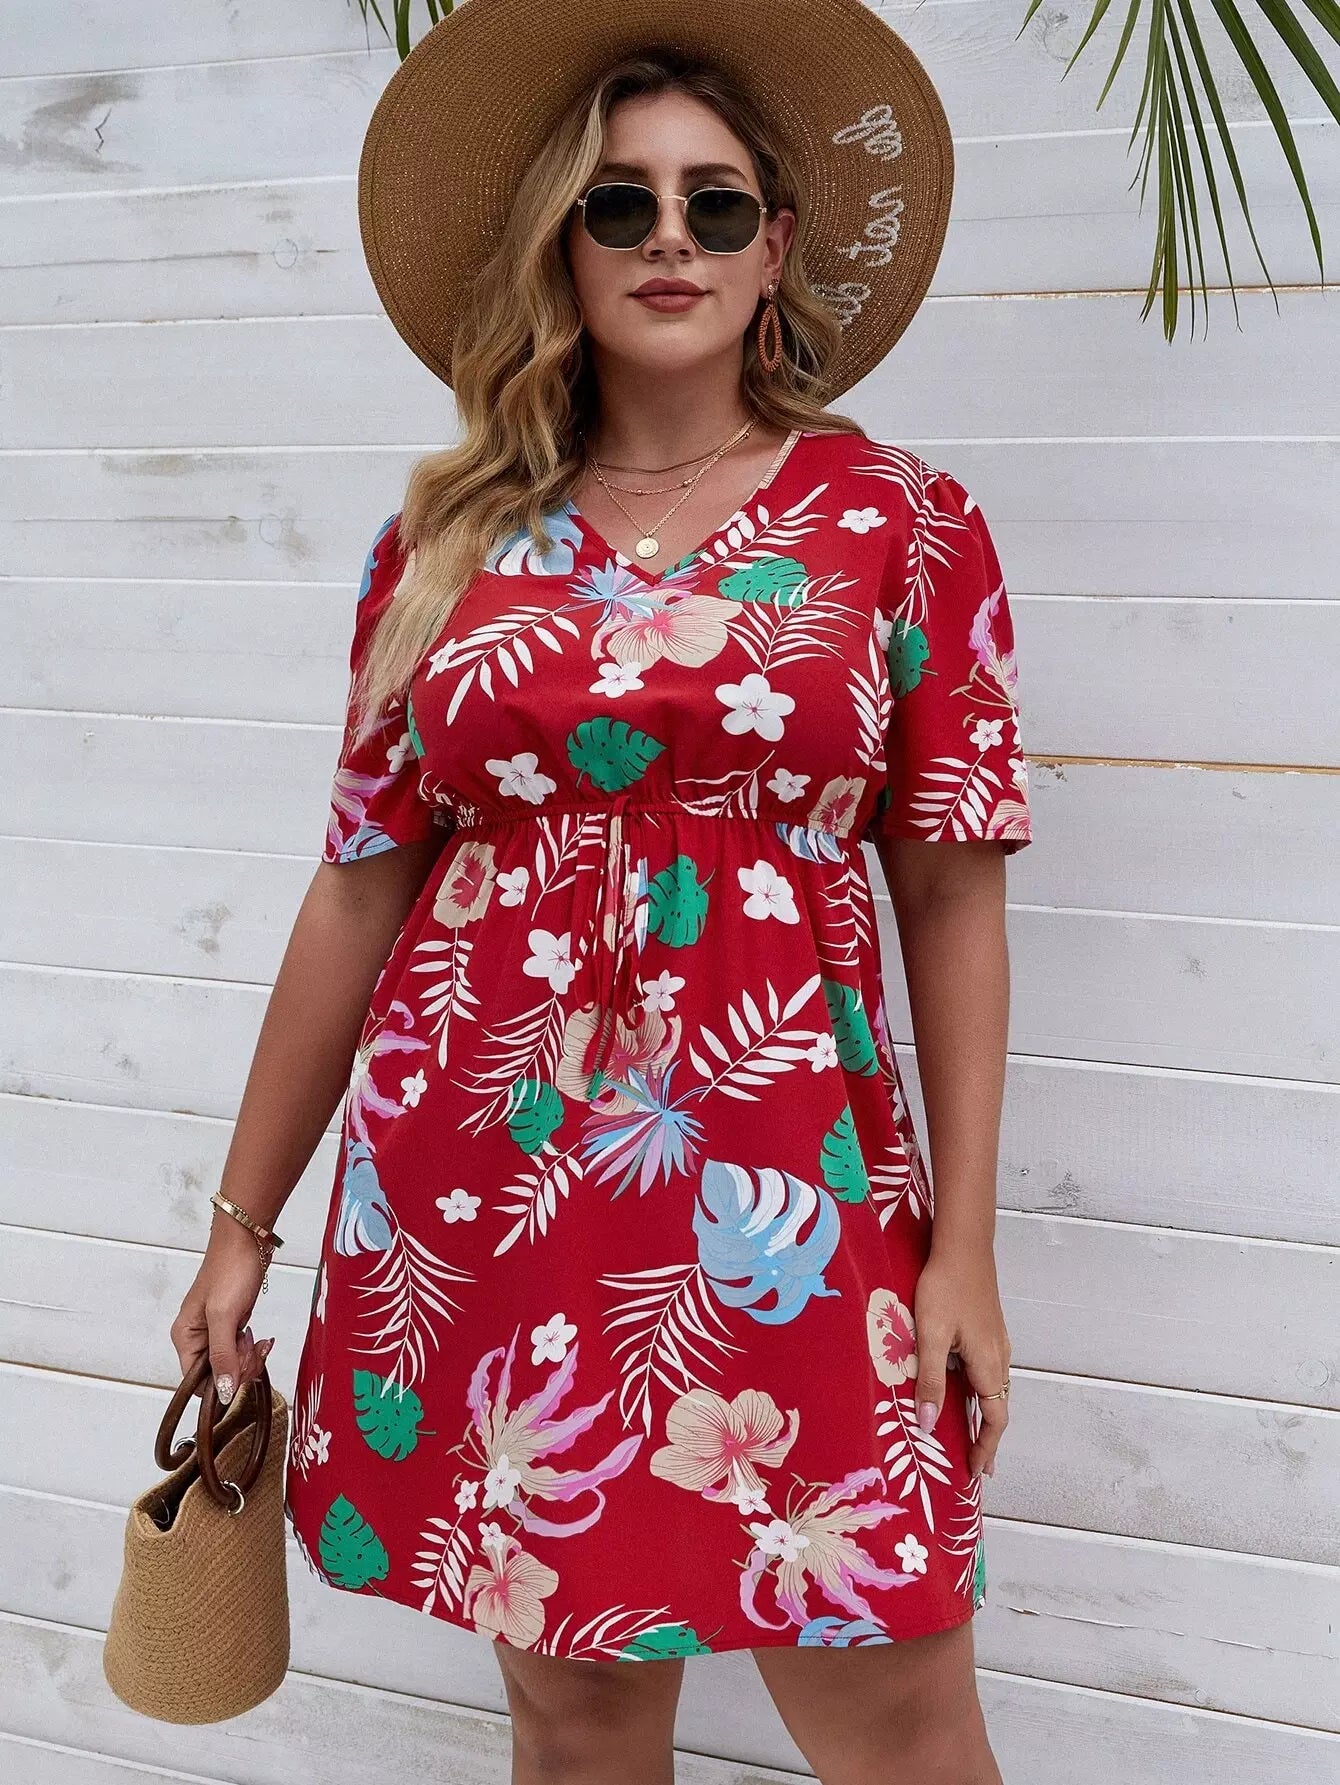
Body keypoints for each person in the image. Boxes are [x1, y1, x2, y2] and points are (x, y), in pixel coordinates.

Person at [171, 2, 1032, 1779]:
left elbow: (952, 895)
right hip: (486, 1184)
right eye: (618, 202)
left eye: (716, 204)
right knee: (574, 1709)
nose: (668, 238)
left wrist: (966, 1245)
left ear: (775, 247)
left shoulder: (899, 524)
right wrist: (243, 1221)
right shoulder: (446, 543)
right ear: (562, 245)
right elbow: (356, 891)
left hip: (796, 1189)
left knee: (896, 1704)